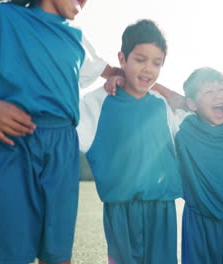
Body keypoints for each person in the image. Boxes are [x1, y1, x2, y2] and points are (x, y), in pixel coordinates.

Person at [0, 0, 122, 263]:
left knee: (57, 254)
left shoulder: (77, 37)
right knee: (6, 253)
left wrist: (119, 78)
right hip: (11, 145)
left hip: (62, 150)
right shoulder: (2, 18)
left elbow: (115, 73)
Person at [77, 19, 181, 264]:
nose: (148, 69)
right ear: (122, 59)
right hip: (120, 212)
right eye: (140, 60)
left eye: (157, 63)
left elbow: (186, 141)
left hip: (162, 211)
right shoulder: (96, 104)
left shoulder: (162, 106)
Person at [175, 67, 223, 264]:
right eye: (209, 92)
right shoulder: (184, 127)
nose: (218, 96)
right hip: (198, 222)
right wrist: (117, 75)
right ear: (191, 103)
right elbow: (153, 93)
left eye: (222, 90)